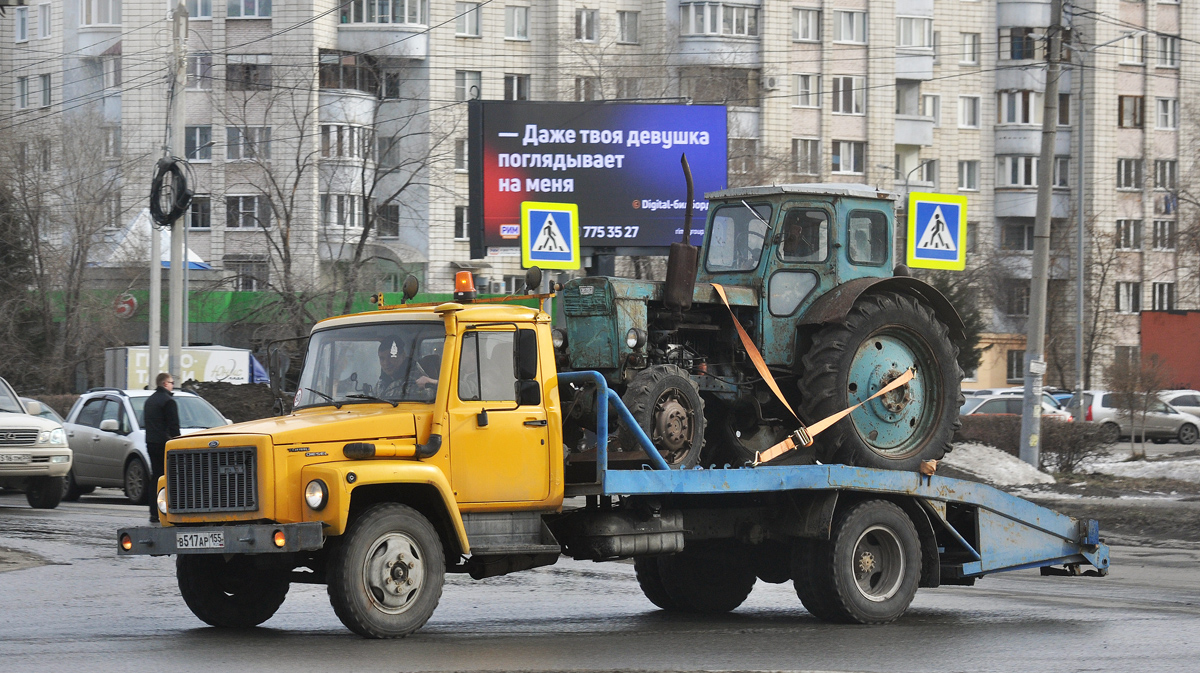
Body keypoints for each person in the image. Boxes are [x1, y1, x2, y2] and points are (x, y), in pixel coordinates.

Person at [143, 372, 180, 523]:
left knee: (156, 479)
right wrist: (177, 442)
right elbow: (174, 427)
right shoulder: (168, 401)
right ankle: (169, 511)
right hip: (165, 445)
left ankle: (154, 512)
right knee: (171, 478)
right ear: (165, 384)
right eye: (172, 382)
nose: (173, 385)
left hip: (151, 443)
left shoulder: (149, 401)